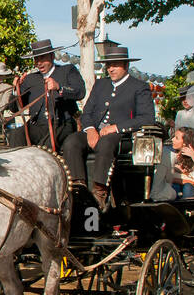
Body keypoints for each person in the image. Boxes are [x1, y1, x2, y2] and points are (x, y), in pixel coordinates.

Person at [61, 45, 156, 206]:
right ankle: (79, 188)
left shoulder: (139, 87)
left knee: (106, 142)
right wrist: (90, 130)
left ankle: (99, 191)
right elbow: (87, 112)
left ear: (126, 66)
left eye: (115, 65)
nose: (111, 69)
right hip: (96, 131)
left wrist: (116, 127)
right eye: (109, 65)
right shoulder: (101, 85)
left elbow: (147, 118)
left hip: (121, 136)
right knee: (71, 142)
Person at [7, 40, 84, 151]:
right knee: (16, 135)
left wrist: (59, 87)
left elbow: (80, 92)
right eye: (36, 59)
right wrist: (16, 90)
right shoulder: (30, 79)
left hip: (62, 124)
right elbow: (14, 108)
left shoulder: (67, 70)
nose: (39, 63)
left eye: (42, 58)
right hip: (37, 126)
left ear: (52, 56)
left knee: (42, 150)